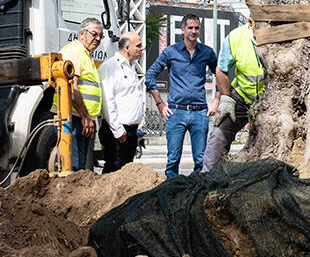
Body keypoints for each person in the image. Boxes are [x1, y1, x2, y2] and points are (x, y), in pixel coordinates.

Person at [145, 14, 218, 178]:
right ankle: (170, 197)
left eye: (197, 28)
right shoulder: (171, 52)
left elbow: (221, 74)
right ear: (182, 29)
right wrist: (159, 103)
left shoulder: (207, 52)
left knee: (201, 161)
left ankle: (198, 197)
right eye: (190, 28)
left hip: (200, 112)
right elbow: (150, 76)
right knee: (172, 161)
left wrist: (216, 100)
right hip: (176, 112)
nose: (193, 31)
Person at [202, 19, 264, 172]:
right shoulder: (235, 37)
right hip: (242, 97)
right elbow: (221, 70)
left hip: (270, 98)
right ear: (251, 22)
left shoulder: (277, 36)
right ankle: (207, 174)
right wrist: (226, 99)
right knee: (219, 134)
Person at [55, 17, 103, 171]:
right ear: (81, 33)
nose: (98, 39)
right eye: (94, 34)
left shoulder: (85, 54)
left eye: (100, 36)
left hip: (80, 117)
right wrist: (85, 116)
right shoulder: (74, 52)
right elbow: (71, 87)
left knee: (81, 167)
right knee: (74, 167)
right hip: (73, 118)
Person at [98, 32, 144, 173]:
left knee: (126, 172)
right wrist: (117, 129)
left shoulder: (132, 67)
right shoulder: (110, 67)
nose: (142, 48)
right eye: (139, 45)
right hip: (117, 131)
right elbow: (107, 100)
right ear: (127, 48)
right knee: (114, 169)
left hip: (131, 130)